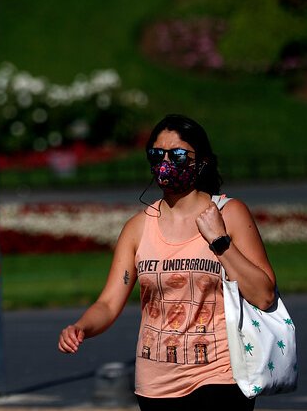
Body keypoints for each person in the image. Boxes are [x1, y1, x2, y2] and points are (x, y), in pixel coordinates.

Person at [57, 114, 277, 410]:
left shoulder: (229, 213)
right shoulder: (137, 228)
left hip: (219, 376)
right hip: (155, 384)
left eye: (177, 154)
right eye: (156, 153)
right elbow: (109, 303)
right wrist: (81, 327)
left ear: (202, 161)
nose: (165, 161)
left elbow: (264, 295)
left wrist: (219, 241)